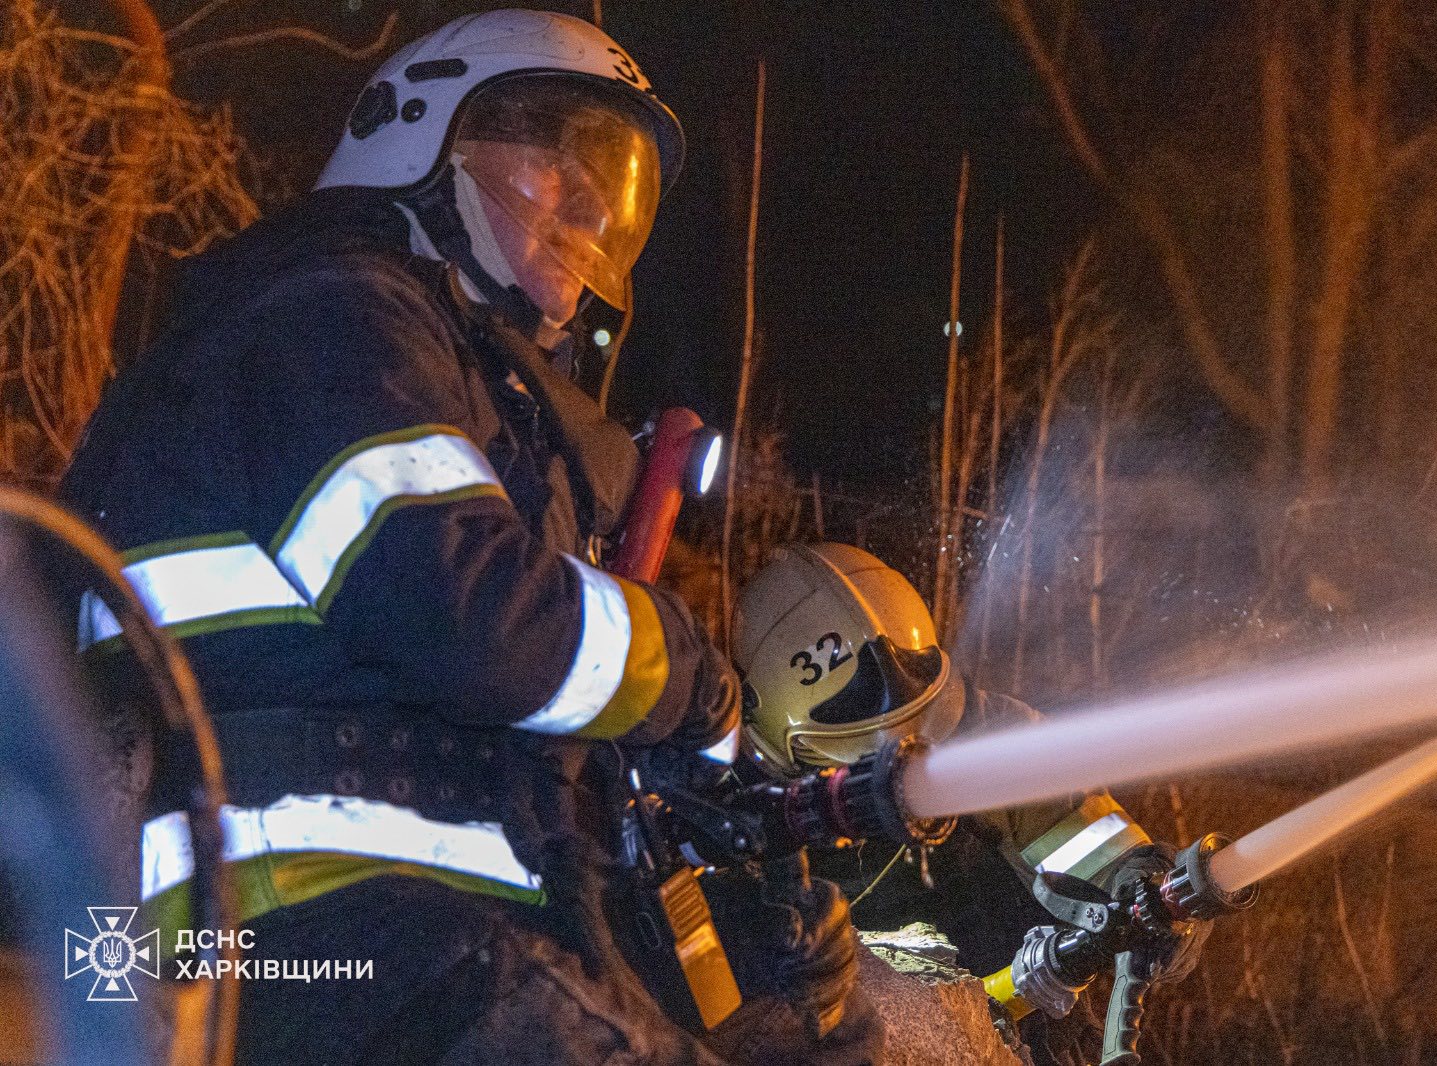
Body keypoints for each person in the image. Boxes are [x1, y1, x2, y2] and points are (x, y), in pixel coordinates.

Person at [59, 13, 871, 1065]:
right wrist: (686, 675)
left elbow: (532, 784)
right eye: (553, 154)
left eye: (610, 184)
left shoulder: (494, 412)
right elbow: (464, 612)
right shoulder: (332, 316)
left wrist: (749, 979)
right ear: (417, 136)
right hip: (265, 933)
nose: (588, 207)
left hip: (419, 934)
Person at [732, 543, 1209, 1026]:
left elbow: (1089, 840)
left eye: (923, 732)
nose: (909, 768)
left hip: (1011, 1034)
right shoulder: (716, 823)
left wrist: (1145, 884)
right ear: (775, 736)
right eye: (868, 765)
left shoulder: (995, 739)